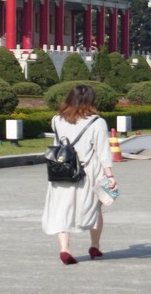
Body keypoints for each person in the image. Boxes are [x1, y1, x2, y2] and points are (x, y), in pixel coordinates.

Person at [41, 85, 117, 265]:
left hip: (62, 171)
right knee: (95, 208)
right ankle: (95, 245)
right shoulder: (97, 122)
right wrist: (110, 175)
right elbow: (103, 152)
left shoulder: (57, 120)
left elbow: (58, 145)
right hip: (88, 171)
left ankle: (65, 249)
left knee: (62, 209)